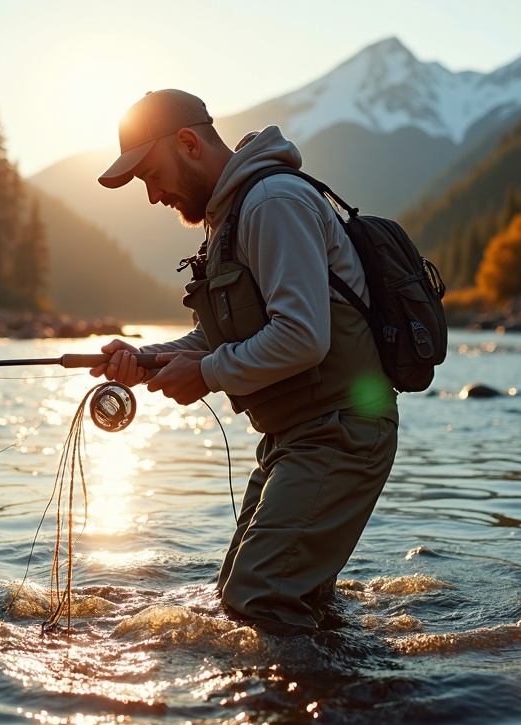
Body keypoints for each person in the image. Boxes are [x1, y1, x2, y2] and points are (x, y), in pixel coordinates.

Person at [94, 89, 398, 631]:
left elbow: (303, 337)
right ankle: (338, 689)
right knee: (239, 598)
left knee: (256, 597)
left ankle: (314, 711)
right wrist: (146, 359)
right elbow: (214, 338)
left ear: (188, 142)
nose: (152, 195)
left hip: (340, 433)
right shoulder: (229, 217)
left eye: (151, 174)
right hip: (297, 437)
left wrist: (207, 375)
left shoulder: (270, 203)